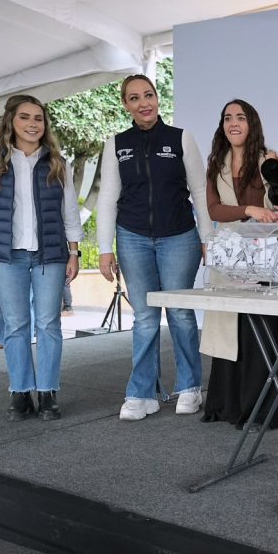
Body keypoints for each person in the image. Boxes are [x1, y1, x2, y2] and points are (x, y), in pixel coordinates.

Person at [199, 104, 278, 429]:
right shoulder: (216, 164)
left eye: (240, 117)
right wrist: (249, 210)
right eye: (227, 117)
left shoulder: (270, 160)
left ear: (252, 123)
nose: (233, 123)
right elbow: (214, 210)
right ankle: (229, 406)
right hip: (231, 261)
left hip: (270, 259)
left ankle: (268, 410)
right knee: (234, 334)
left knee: (268, 332)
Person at [97, 74, 211, 422]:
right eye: (134, 98)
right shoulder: (117, 143)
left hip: (179, 236)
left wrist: (207, 239)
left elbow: (200, 191)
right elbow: (107, 198)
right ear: (125, 105)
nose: (143, 102)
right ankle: (142, 393)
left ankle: (190, 387)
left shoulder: (181, 138)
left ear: (158, 98)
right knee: (145, 317)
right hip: (132, 237)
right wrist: (104, 248)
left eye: (149, 95)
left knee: (179, 312)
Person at [0, 94, 82, 421]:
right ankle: (20, 392)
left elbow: (70, 214)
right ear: (11, 122)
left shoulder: (57, 163)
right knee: (16, 325)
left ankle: (47, 392)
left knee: (49, 324)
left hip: (51, 255)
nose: (33, 124)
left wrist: (74, 253)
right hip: (7, 256)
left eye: (38, 118)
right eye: (25, 117)